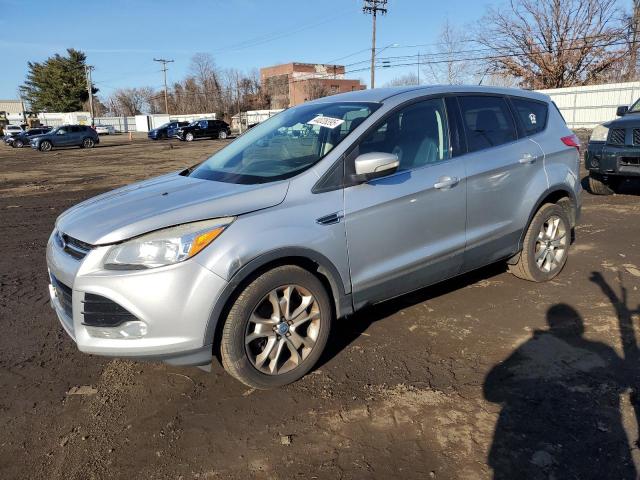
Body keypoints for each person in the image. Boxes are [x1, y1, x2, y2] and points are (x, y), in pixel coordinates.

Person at [484, 303, 636, 479]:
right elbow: (623, 384)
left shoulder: (533, 346)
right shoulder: (601, 350)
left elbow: (492, 392)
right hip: (584, 439)